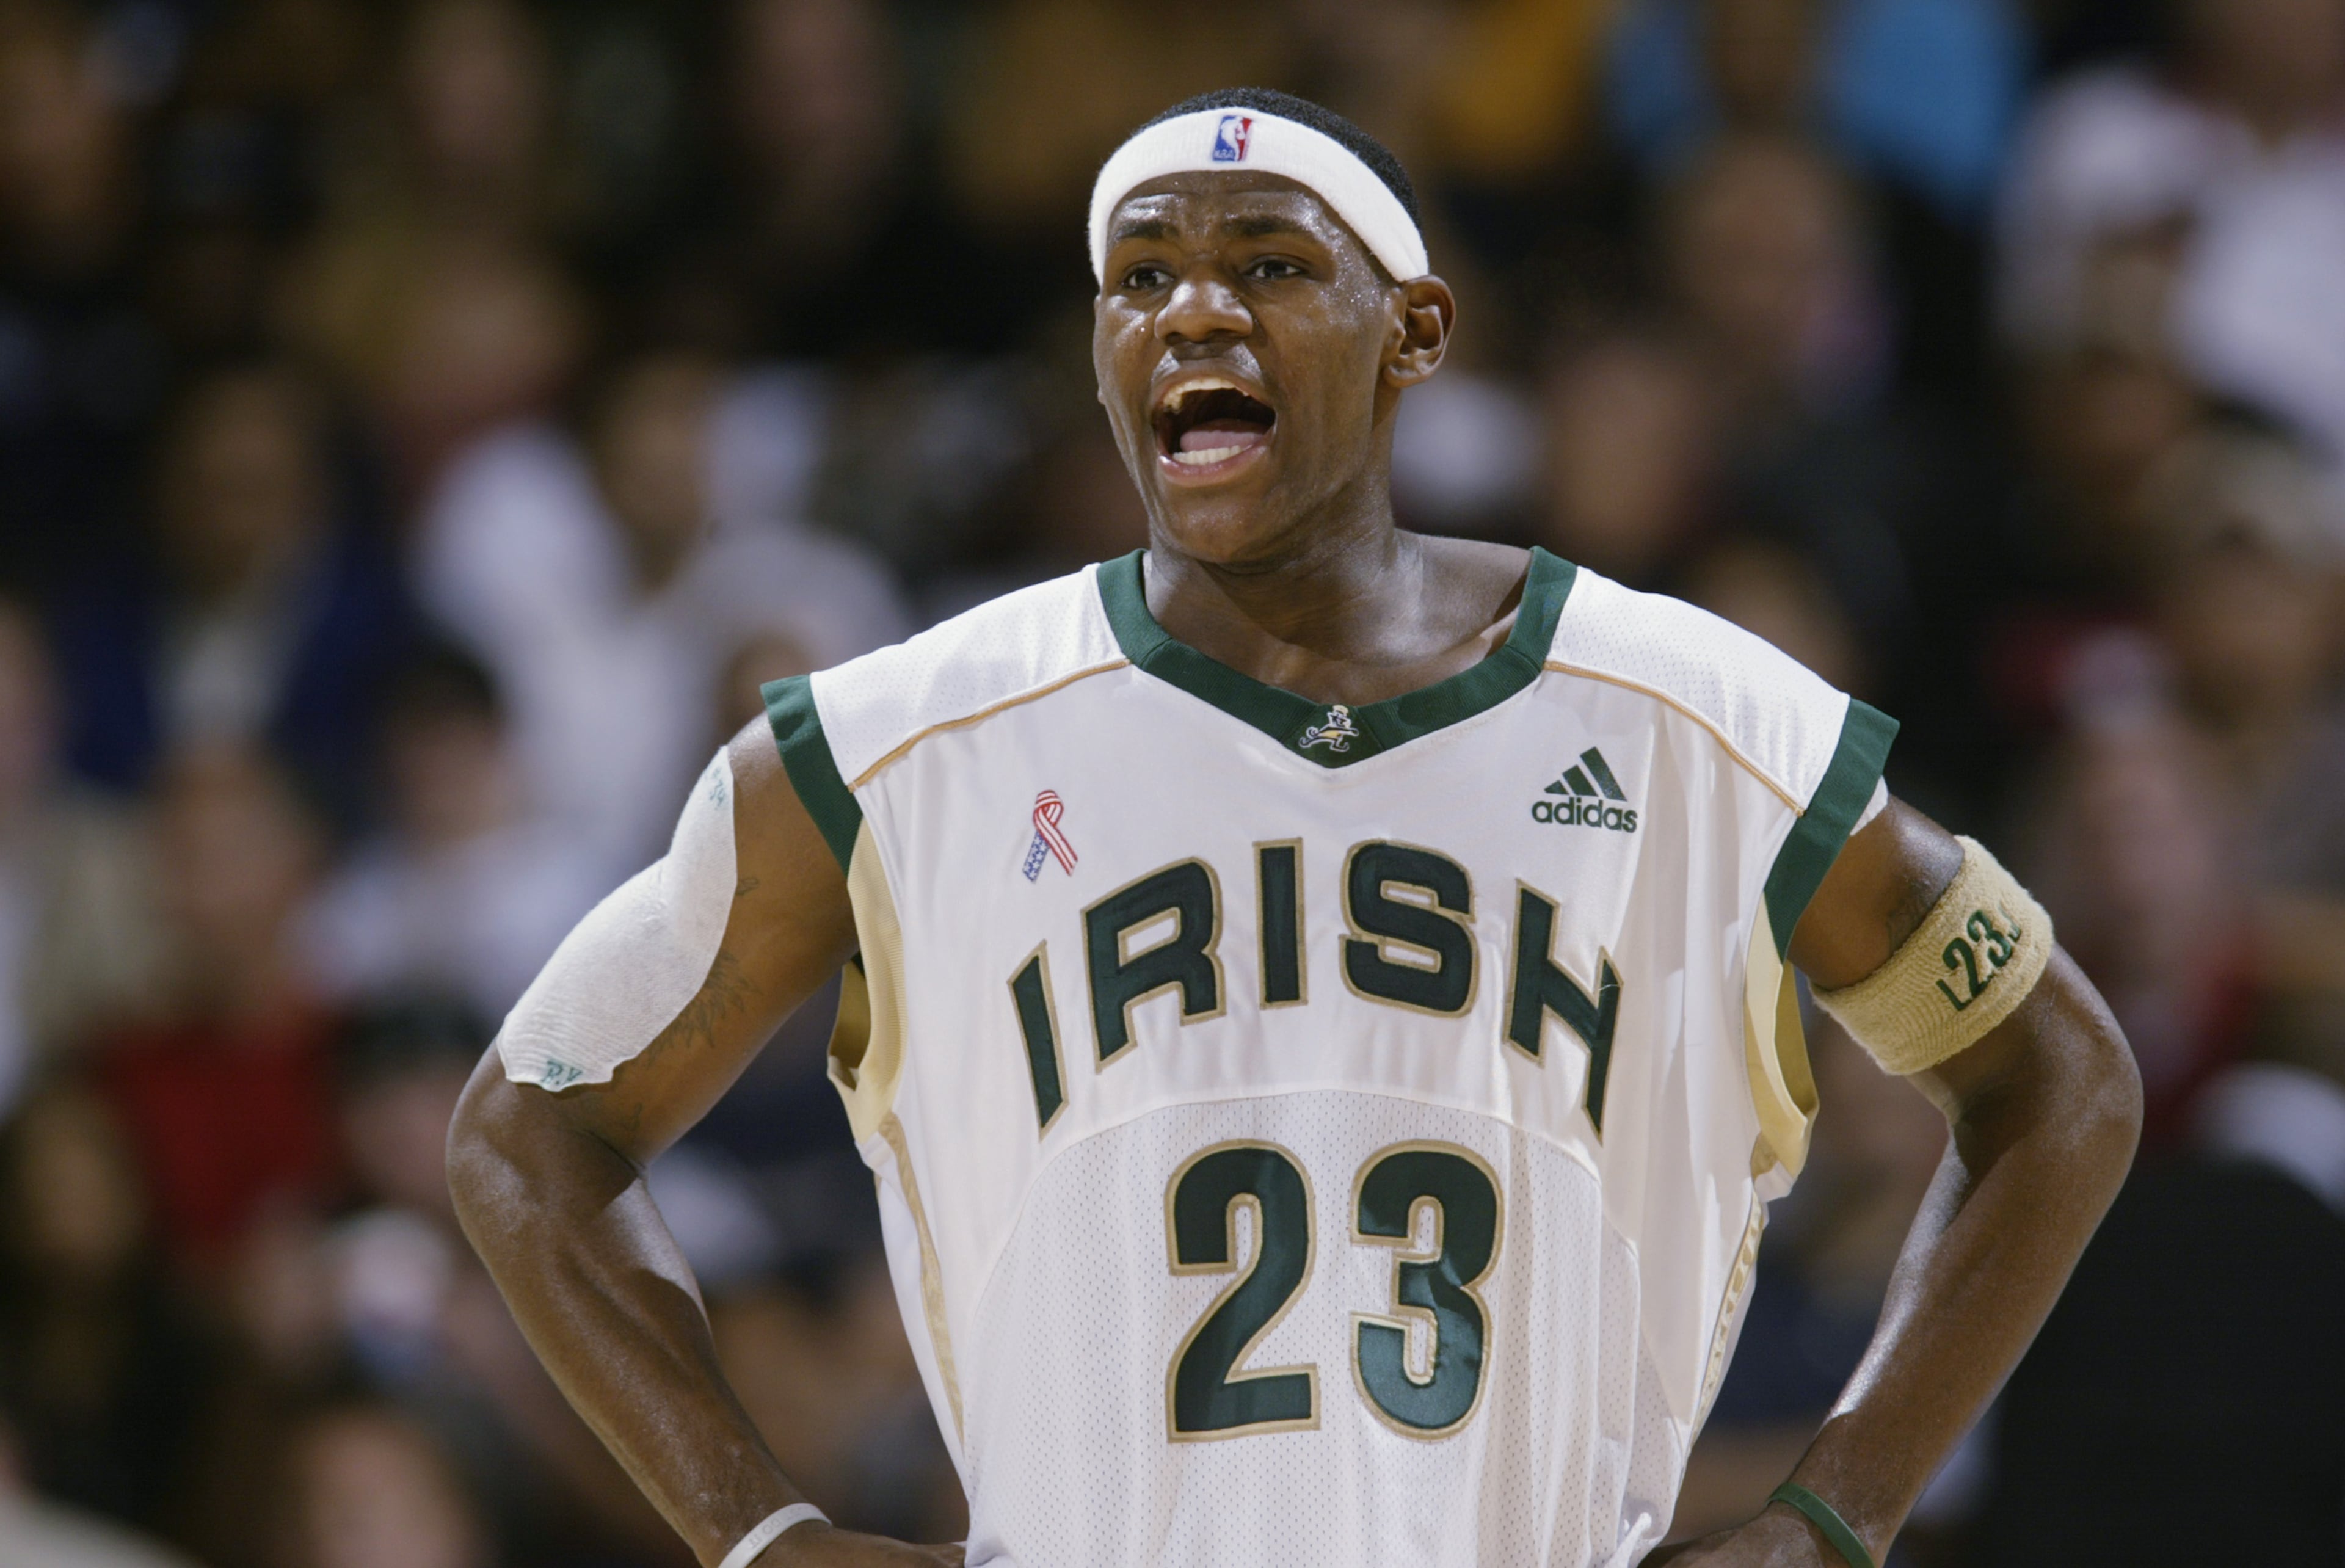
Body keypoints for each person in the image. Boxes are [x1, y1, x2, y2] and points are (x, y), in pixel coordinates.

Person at [448, 89, 2141, 1568]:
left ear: (1413, 329)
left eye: (1267, 263)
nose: (1193, 312)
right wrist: (759, 1532)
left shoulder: (1709, 725)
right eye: (1142, 278)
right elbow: (527, 1133)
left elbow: (2057, 1080)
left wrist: (1833, 1515)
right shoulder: (889, 751)